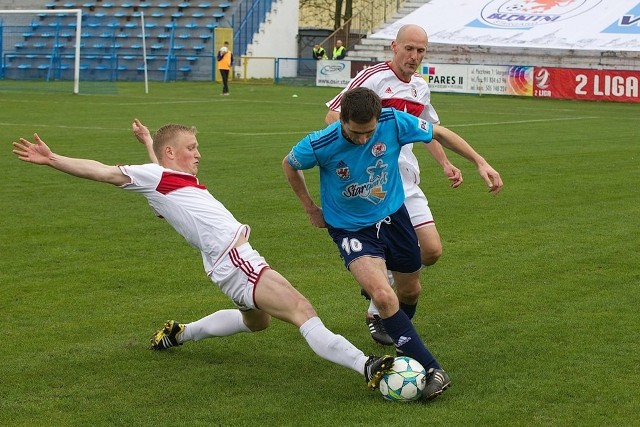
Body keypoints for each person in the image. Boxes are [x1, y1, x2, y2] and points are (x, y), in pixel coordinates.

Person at [11, 120, 396, 392]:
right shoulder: (158, 177)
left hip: (227, 262)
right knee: (301, 308)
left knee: (258, 323)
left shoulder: (167, 179)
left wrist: (147, 142)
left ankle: (179, 334)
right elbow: (104, 172)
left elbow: (157, 172)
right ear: (170, 152)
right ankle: (366, 366)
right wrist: (54, 159)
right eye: (191, 148)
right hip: (236, 260)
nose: (198, 154)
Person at [283, 88, 502, 401]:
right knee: (384, 296)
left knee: (410, 291)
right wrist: (310, 208)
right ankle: (432, 369)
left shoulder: (393, 121)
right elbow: (289, 164)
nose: (362, 139)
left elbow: (439, 133)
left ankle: (403, 343)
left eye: (369, 132)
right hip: (350, 229)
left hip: (394, 217)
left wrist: (480, 162)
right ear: (341, 120)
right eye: (355, 133)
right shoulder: (322, 143)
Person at [325, 24, 503, 347]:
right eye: (409, 49)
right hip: (376, 184)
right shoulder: (373, 78)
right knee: (393, 260)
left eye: (421, 51)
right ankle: (379, 309)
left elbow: (429, 131)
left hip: (407, 180)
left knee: (432, 251)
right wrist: (363, 152)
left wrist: (447, 163)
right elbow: (332, 117)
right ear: (394, 47)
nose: (414, 56)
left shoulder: (420, 87)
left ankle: (380, 293)